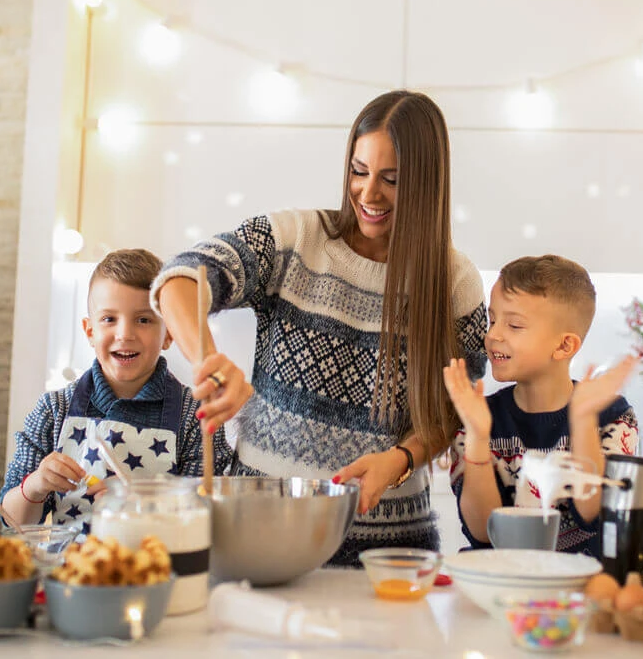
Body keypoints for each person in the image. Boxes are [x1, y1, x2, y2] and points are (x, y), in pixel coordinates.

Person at [151, 90, 488, 565]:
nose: (368, 194)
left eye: (391, 179)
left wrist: (399, 460)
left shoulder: (455, 282)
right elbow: (183, 277)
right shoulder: (295, 240)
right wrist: (207, 357)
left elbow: (454, 412)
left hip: (388, 557)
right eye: (359, 171)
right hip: (258, 536)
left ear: (428, 184)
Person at [1, 248, 231, 533]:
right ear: (89, 332)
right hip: (73, 572)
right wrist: (34, 486)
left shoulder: (195, 415)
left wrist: (143, 508)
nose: (125, 334)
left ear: (169, 334)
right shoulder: (54, 409)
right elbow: (11, 521)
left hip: (158, 572)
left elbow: (211, 520)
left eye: (144, 319)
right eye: (109, 319)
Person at [444, 254, 639, 558]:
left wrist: (584, 420)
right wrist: (478, 438)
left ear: (564, 346)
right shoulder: (478, 417)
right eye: (493, 320)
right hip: (499, 588)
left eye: (515, 325)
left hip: (581, 595)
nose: (493, 335)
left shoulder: (611, 417)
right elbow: (483, 531)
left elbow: (593, 514)